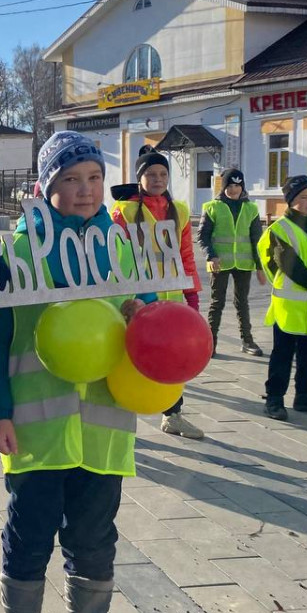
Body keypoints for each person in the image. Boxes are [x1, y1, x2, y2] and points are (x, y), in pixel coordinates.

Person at [0, 131, 153, 613]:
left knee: (94, 541)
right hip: (35, 427)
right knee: (27, 539)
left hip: (103, 426)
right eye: (70, 180)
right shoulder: (17, 253)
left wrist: (141, 315)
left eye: (94, 179)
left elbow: (152, 332)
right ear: (46, 188)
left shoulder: (124, 249)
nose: (84, 191)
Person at [111, 148, 204, 440]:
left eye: (163, 174)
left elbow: (186, 255)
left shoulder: (181, 210)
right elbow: (114, 258)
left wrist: (192, 297)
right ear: (139, 178)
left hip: (172, 299)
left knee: (173, 359)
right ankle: (120, 416)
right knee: (128, 355)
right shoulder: (123, 211)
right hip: (136, 298)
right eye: (151, 174)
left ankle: (172, 415)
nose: (158, 179)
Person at [258, 173, 307, 421]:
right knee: (282, 355)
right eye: (303, 197)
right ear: (290, 201)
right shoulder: (280, 229)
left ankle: (305, 396)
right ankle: (274, 399)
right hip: (290, 306)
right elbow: (291, 266)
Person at [198, 168, 266, 357]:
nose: (234, 189)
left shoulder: (251, 209)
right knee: (217, 302)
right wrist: (211, 255)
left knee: (242, 302)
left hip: (244, 264)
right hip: (219, 263)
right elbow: (203, 236)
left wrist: (260, 267)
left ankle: (247, 340)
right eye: (230, 185)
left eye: (238, 185)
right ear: (224, 186)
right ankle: (211, 342)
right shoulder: (212, 207)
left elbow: (257, 240)